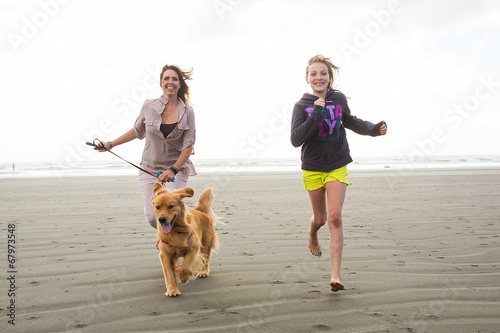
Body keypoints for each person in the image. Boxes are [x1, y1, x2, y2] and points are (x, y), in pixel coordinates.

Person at [290, 55, 387, 292]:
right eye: (313, 74)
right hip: (312, 167)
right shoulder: (302, 106)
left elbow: (350, 121)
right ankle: (312, 232)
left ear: (329, 78)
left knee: (335, 216)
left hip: (337, 163)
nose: (318, 77)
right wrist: (314, 113)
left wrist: (373, 129)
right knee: (321, 219)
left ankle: (335, 275)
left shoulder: (339, 100)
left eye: (323, 73)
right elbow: (295, 139)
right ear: (307, 79)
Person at [99, 64, 196, 229]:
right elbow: (136, 131)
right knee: (153, 217)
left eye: (174, 79)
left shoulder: (188, 112)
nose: (170, 82)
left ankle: (174, 244)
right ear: (161, 83)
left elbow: (188, 145)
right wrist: (110, 144)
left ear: (179, 84)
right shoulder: (148, 106)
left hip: (175, 170)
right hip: (149, 169)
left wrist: (173, 169)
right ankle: (164, 236)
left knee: (174, 211)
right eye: (166, 78)